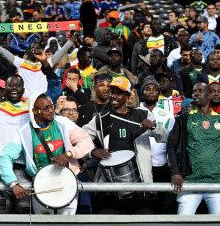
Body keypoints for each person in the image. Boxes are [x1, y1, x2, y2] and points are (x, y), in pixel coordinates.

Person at [0, 29, 61, 213]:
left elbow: (55, 91)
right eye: (10, 84)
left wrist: (45, 64)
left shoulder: (32, 109)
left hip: (24, 166)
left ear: (24, 90)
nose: (14, 87)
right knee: (0, 211)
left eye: (18, 85)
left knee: (24, 212)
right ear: (5, 88)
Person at [82, 76, 168, 214]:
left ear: (128, 96)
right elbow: (80, 137)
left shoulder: (143, 115)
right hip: (109, 187)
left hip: (140, 186)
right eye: (112, 92)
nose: (114, 96)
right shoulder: (100, 119)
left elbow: (165, 137)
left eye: (119, 93)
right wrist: (92, 152)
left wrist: (153, 126)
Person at [0, 92, 94, 214]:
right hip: (41, 186)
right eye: (46, 108)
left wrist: (68, 154)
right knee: (43, 223)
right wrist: (13, 183)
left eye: (52, 106)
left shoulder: (63, 123)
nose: (51, 110)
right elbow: (5, 156)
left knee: (66, 224)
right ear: (34, 111)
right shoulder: (24, 132)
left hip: (67, 183)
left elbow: (87, 142)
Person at [167, 82, 220, 215]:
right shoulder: (184, 119)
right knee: (183, 221)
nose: (195, 94)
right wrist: (175, 172)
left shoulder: (219, 119)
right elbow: (171, 145)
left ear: (210, 95)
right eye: (193, 91)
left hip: (216, 182)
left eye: (200, 91)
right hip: (190, 181)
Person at [0, 28, 80, 99]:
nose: (35, 50)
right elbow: (2, 51)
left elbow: (63, 51)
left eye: (37, 48)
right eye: (33, 48)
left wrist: (75, 35)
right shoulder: (21, 62)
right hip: (24, 101)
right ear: (28, 52)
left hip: (41, 100)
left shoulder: (46, 63)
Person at [138, 76, 175, 213]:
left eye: (155, 89)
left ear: (159, 93)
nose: (151, 92)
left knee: (160, 203)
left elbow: (172, 139)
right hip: (140, 164)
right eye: (147, 89)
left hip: (162, 164)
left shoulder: (167, 114)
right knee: (143, 203)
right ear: (142, 93)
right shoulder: (134, 112)